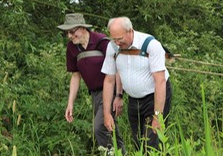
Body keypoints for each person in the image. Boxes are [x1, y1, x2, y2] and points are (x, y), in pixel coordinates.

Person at [57, 13, 125, 153]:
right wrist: (70, 103)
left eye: (72, 31)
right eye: (67, 33)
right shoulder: (72, 48)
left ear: (82, 28)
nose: (69, 36)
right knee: (109, 128)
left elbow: (118, 67)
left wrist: (119, 95)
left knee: (99, 128)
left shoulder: (101, 42)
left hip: (109, 91)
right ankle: (122, 153)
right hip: (94, 95)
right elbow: (76, 76)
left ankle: (110, 154)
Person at [102, 16, 172, 152]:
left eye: (120, 39)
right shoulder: (112, 47)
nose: (117, 43)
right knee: (138, 142)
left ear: (130, 31)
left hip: (155, 96)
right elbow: (109, 80)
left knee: (152, 142)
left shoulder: (151, 45)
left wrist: (158, 115)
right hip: (134, 100)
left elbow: (160, 81)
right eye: (113, 39)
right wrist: (107, 113)